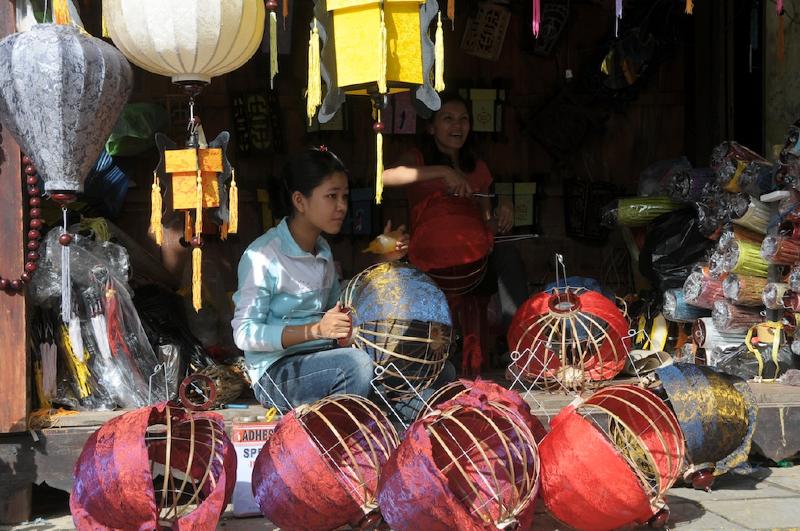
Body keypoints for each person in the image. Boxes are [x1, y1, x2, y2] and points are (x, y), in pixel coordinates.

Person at [231, 147, 409, 411]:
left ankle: (378, 417)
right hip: (277, 373)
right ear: (300, 201)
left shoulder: (322, 249)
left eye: (345, 197)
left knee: (416, 367)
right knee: (357, 365)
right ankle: (339, 435)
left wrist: (383, 263)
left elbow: (339, 305)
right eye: (331, 196)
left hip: (324, 358)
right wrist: (315, 331)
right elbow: (244, 334)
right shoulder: (262, 256)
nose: (342, 207)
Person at [382, 93, 530, 347]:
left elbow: (486, 225)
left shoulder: (477, 167)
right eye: (448, 119)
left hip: (473, 267)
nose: (457, 126)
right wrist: (443, 172)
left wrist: (504, 209)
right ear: (431, 126)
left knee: (508, 253)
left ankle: (519, 345)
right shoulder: (417, 159)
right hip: (429, 265)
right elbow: (386, 177)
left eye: (463, 119)